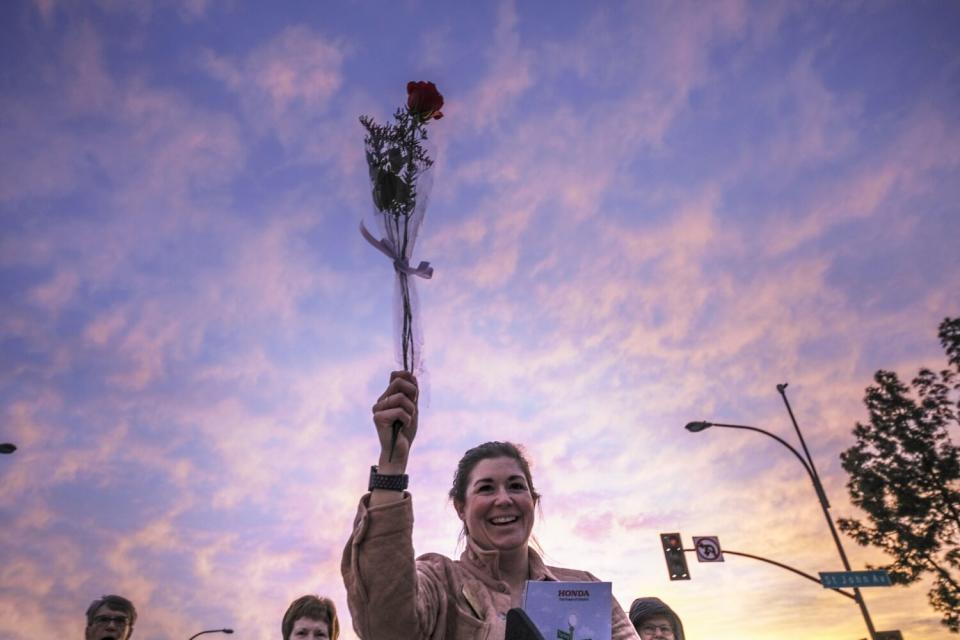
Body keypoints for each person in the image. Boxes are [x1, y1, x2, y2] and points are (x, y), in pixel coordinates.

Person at [341, 371, 640, 639]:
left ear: (532, 502)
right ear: (461, 508)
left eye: (516, 486)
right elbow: (385, 624)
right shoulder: (438, 582)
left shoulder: (583, 589)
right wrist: (392, 464)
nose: (504, 499)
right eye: (486, 488)